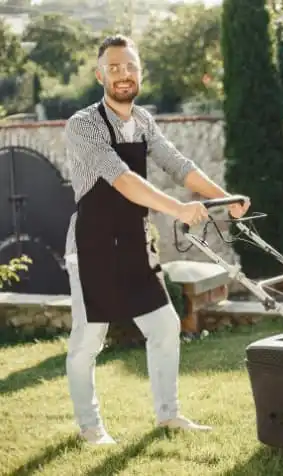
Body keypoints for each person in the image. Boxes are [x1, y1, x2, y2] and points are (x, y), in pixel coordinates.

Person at [62, 34, 250, 445]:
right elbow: (123, 180)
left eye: (130, 66)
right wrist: (179, 209)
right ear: (99, 75)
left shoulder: (144, 121)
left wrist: (223, 197)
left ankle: (169, 416)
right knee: (88, 340)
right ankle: (90, 428)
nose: (123, 74)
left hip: (134, 242)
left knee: (164, 327)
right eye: (114, 67)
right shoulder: (83, 125)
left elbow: (179, 165)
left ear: (139, 72)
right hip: (92, 246)